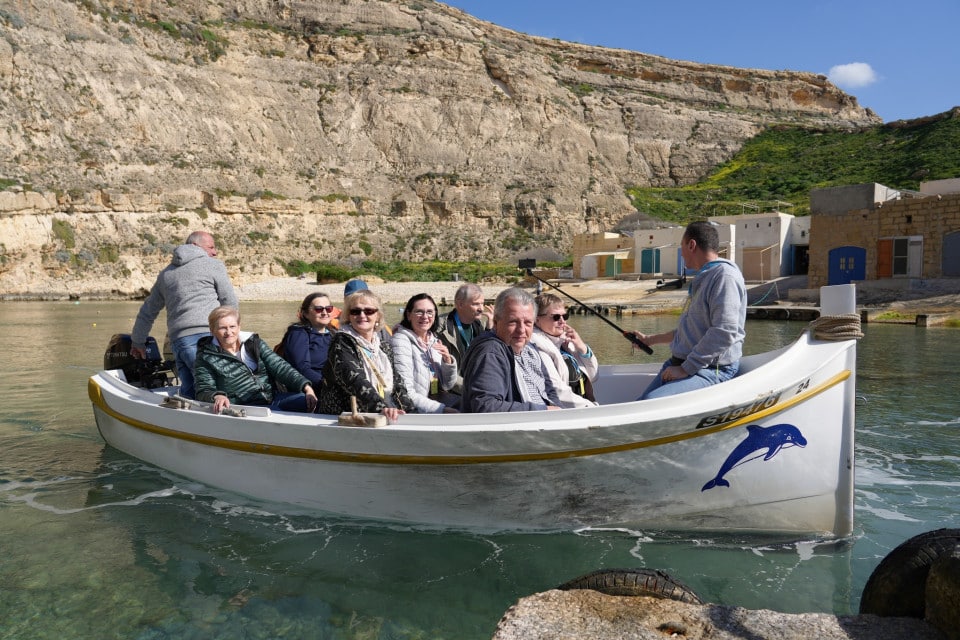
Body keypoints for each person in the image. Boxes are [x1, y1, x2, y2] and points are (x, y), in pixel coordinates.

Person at [633, 220, 747, 400]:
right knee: (637, 407)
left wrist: (686, 368)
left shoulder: (724, 277)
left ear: (691, 245)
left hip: (710, 370)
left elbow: (725, 331)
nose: (682, 254)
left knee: (651, 403)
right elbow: (691, 331)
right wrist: (649, 340)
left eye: (682, 247)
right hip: (681, 364)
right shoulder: (704, 278)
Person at [130, 230, 237, 398]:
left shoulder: (166, 274)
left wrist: (138, 342)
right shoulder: (214, 265)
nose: (215, 252)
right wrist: (233, 334)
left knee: (190, 393)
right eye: (211, 247)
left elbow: (147, 311)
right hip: (208, 339)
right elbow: (229, 302)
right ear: (195, 246)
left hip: (179, 343)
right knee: (219, 391)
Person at [194, 306, 317, 414]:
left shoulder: (254, 343)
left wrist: (305, 386)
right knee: (276, 414)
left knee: (305, 400)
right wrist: (217, 396)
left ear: (239, 327)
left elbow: (279, 366)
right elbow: (204, 389)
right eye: (222, 328)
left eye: (232, 326)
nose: (229, 332)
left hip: (271, 397)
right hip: (244, 407)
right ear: (212, 330)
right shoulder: (205, 356)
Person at [317, 289, 414, 422]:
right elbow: (353, 379)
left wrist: (409, 411)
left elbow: (397, 383)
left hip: (381, 412)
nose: (362, 315)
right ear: (349, 316)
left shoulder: (383, 347)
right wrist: (381, 408)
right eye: (355, 311)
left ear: (378, 316)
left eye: (368, 311)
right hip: (344, 418)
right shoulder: (341, 342)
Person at [460, 287, 561, 413]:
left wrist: (556, 411)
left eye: (528, 323)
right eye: (513, 322)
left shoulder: (531, 350)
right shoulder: (491, 353)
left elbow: (550, 392)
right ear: (496, 323)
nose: (521, 330)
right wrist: (543, 410)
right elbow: (486, 406)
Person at [391, 294, 459, 414]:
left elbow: (447, 385)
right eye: (419, 312)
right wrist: (441, 410)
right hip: (415, 410)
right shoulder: (401, 341)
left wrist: (447, 361)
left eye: (430, 312)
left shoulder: (434, 339)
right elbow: (406, 392)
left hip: (436, 399)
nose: (425, 317)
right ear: (408, 315)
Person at [530, 293, 599, 408]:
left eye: (565, 316)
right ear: (537, 320)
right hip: (568, 413)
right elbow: (557, 391)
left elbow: (594, 376)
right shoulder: (537, 348)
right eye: (556, 317)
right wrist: (591, 407)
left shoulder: (566, 342)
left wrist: (582, 347)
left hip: (584, 408)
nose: (562, 321)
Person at [436, 283, 494, 393]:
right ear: (460, 304)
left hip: (475, 384)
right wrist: (471, 390)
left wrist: (490, 329)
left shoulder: (478, 325)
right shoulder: (441, 327)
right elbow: (441, 368)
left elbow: (486, 358)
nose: (481, 309)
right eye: (476, 304)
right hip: (453, 389)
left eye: (482, 304)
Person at [277, 292, 336, 390]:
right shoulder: (298, 333)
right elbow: (302, 368)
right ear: (305, 314)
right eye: (318, 309)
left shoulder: (334, 334)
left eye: (328, 308)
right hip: (310, 387)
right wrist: (327, 386)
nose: (325, 312)